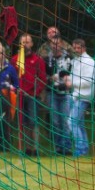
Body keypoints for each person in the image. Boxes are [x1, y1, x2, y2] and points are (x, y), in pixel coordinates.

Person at [37, 26, 73, 156]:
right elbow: (41, 74)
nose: (56, 47)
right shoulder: (46, 58)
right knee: (55, 121)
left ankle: (67, 147)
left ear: (61, 44)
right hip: (51, 92)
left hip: (65, 93)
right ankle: (58, 147)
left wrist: (69, 80)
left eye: (58, 44)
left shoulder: (69, 57)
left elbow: (73, 72)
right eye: (53, 45)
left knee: (65, 121)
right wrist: (49, 78)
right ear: (50, 45)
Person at [10, 33, 46, 156]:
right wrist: (15, 90)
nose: (25, 44)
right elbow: (11, 77)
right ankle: (26, 148)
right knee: (22, 122)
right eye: (23, 42)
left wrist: (35, 92)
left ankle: (35, 148)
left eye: (27, 42)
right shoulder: (15, 60)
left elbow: (42, 79)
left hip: (32, 96)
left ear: (32, 44)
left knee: (33, 121)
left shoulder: (38, 60)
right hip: (19, 96)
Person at [67, 39, 95, 157]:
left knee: (71, 122)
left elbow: (88, 81)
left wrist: (72, 83)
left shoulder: (90, 62)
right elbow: (72, 77)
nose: (76, 50)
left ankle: (80, 149)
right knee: (79, 124)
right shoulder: (75, 61)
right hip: (74, 95)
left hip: (83, 96)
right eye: (74, 48)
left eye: (78, 48)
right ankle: (84, 148)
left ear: (84, 48)